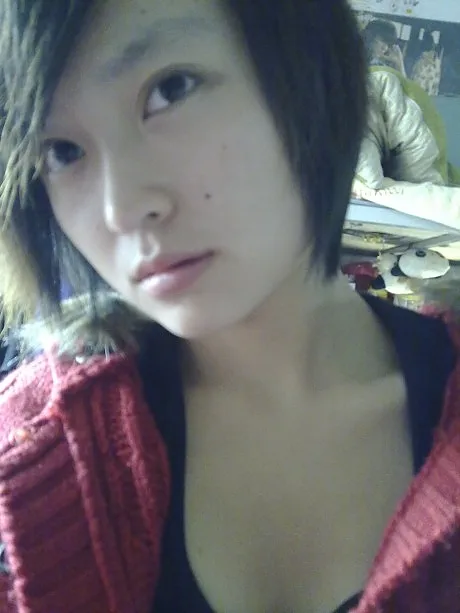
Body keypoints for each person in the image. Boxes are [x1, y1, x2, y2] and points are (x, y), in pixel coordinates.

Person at [0, 2, 459, 613]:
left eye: (171, 89)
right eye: (61, 151)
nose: (121, 209)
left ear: (307, 71)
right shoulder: (30, 459)